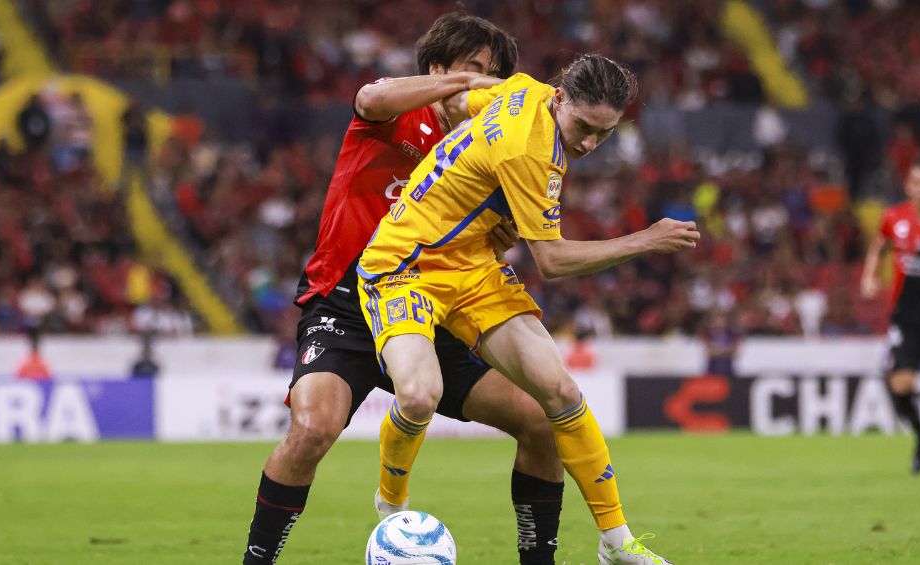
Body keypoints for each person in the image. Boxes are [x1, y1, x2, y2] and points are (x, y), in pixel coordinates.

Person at [242, 14, 569, 565]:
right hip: (347, 306)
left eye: (494, 76)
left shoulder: (488, 152)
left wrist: (498, 237)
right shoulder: (395, 112)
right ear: (438, 69)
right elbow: (371, 97)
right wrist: (467, 85)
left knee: (541, 422)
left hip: (429, 312)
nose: (486, 84)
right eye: (473, 70)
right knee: (312, 427)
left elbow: (481, 247)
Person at [358, 56, 700, 564]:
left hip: (472, 264)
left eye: (603, 135)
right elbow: (553, 261)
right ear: (560, 97)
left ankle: (616, 542)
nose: (587, 144)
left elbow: (456, 101)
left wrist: (477, 188)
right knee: (420, 395)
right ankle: (392, 508)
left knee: (559, 390)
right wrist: (646, 239)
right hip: (404, 264)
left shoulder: (525, 90)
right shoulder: (528, 148)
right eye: (583, 128)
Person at [861, 154, 920, 477]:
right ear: (908, 187)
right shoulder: (893, 217)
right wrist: (870, 275)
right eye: (918, 183)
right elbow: (879, 245)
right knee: (899, 385)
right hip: (906, 317)